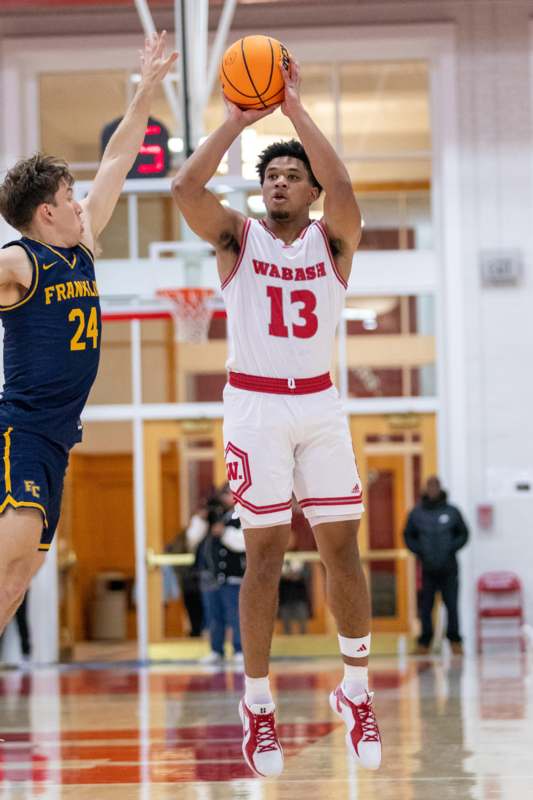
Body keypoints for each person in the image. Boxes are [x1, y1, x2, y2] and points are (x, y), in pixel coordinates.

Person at [172, 58, 381, 776]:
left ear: (311, 190)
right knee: (262, 555)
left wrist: (292, 111)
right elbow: (182, 187)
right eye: (270, 177)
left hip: (319, 401)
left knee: (341, 549)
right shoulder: (237, 240)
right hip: (256, 405)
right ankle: (257, 704)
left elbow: (346, 188)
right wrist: (238, 116)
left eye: (291, 175)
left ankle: (355, 687)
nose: (279, 182)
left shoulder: (333, 239)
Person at [0, 33, 177, 638]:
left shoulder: (84, 248)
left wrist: (147, 88)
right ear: (45, 211)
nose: (81, 202)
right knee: (7, 572)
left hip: (56, 441)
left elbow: (118, 161)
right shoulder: (19, 263)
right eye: (69, 196)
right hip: (19, 431)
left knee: (18, 581)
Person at [403, 476, 469, 655]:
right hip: (427, 569)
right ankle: (424, 643)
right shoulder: (417, 514)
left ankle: (455, 641)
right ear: (425, 489)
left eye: (435, 486)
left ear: (440, 488)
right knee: (426, 607)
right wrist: (420, 551)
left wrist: (450, 548)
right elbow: (408, 536)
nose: (432, 490)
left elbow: (463, 534)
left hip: (449, 568)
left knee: (452, 605)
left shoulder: (452, 512)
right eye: (429, 487)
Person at [196, 509, 246, 666]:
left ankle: (239, 649)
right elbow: (193, 539)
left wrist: (224, 532)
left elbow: (242, 544)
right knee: (214, 616)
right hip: (211, 578)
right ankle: (216, 649)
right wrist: (201, 520)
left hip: (232, 577)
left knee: (235, 615)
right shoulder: (208, 520)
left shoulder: (240, 516)